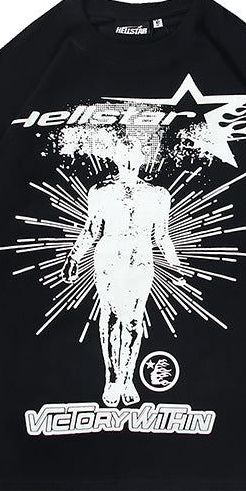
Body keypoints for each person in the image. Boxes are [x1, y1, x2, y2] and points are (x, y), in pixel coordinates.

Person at [61, 138, 185, 406]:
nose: (128, 161)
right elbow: (92, 229)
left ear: (141, 158)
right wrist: (74, 256)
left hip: (140, 259)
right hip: (109, 258)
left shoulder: (158, 194)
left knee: (133, 321)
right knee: (110, 316)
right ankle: (111, 378)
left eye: (133, 155)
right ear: (115, 158)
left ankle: (127, 378)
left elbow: (162, 235)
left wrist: (175, 266)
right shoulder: (101, 191)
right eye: (123, 155)